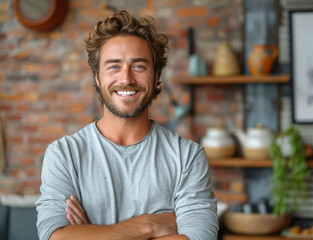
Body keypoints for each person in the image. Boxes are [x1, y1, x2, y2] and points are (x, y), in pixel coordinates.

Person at [35, 10, 219, 240]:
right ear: (97, 77)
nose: (126, 79)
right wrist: (147, 227)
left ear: (156, 75)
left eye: (139, 66)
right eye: (113, 66)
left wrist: (93, 234)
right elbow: (54, 237)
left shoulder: (187, 157)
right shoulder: (64, 154)